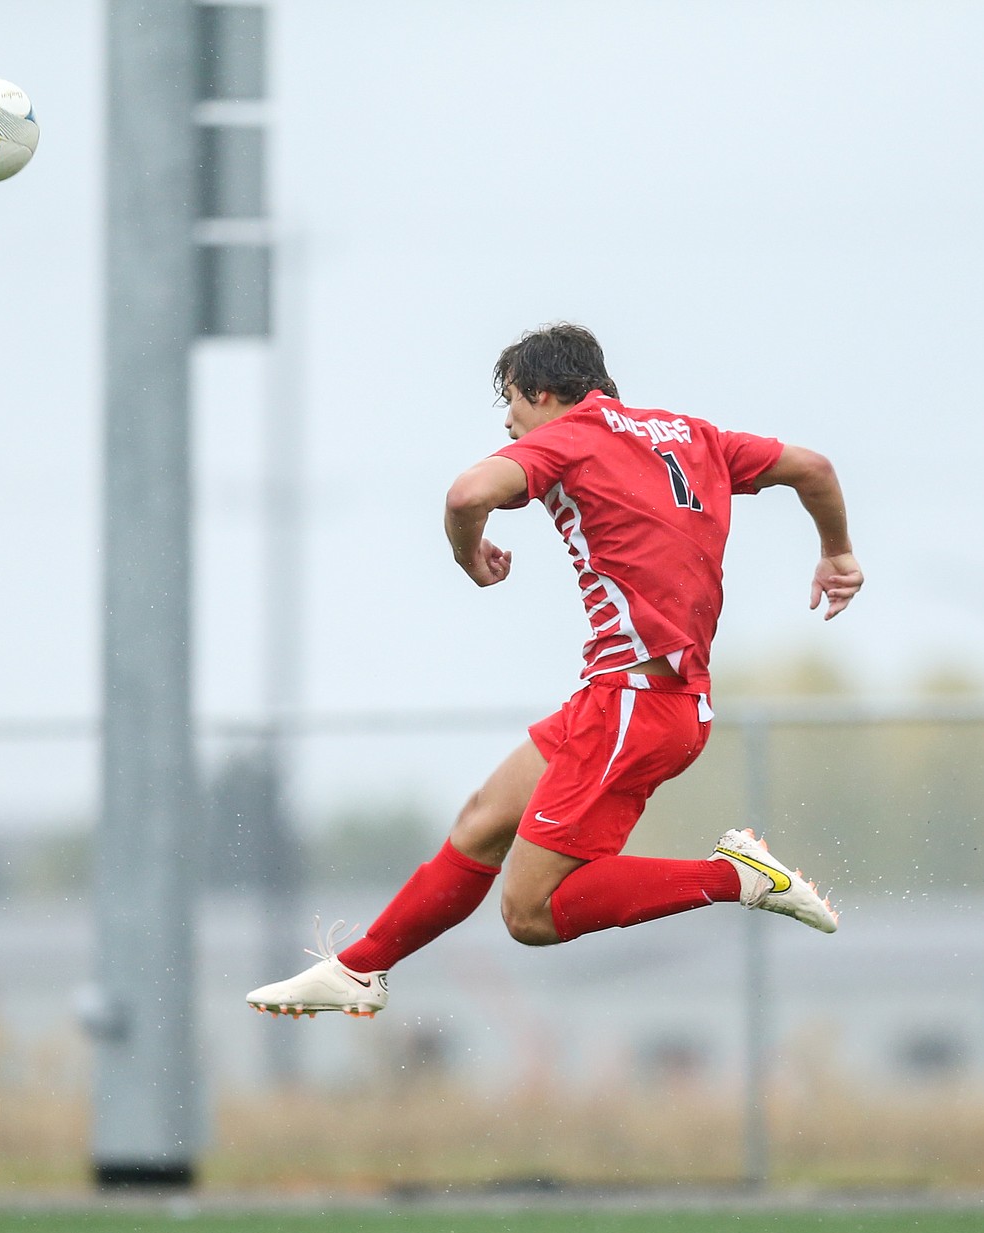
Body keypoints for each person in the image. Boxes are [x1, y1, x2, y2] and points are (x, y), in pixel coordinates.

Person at [247, 323, 864, 1019]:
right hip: (630, 699)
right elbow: (812, 467)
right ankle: (360, 969)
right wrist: (837, 552)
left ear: (543, 393)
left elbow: (464, 495)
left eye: (510, 403)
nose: (510, 424)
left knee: (531, 912)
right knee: (483, 821)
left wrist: (469, 556)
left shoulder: (569, 438)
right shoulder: (694, 435)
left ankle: (736, 879)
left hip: (636, 703)